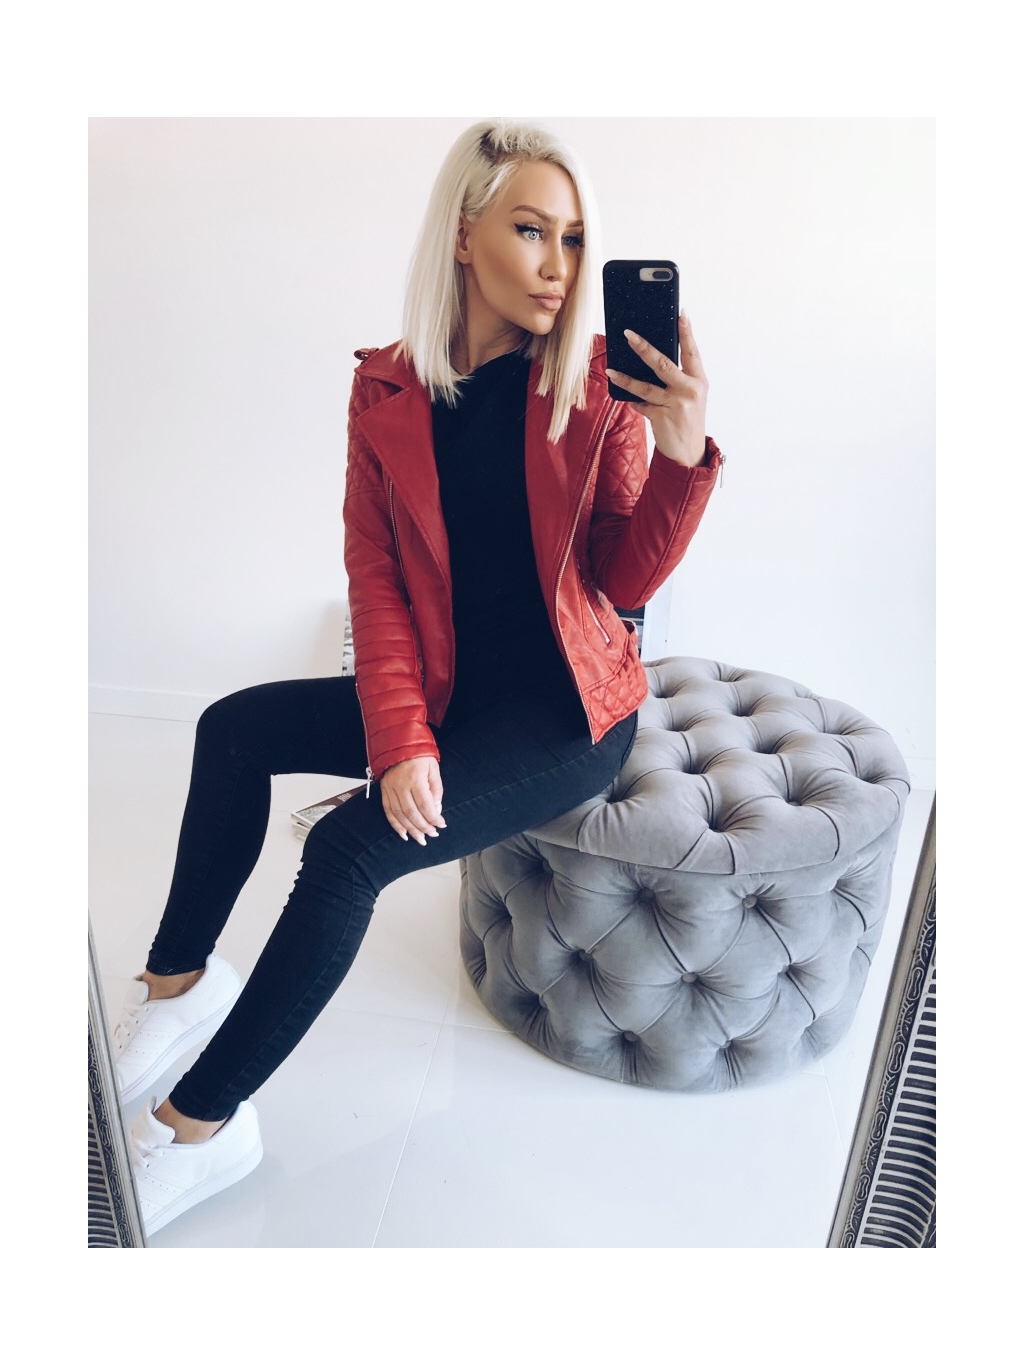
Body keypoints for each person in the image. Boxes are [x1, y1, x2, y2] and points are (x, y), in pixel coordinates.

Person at [112, 119, 723, 1237]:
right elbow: (377, 578)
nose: (558, 265)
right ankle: (177, 990)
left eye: (574, 238)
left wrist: (681, 454)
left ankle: (200, 1127)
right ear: (463, 234)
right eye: (531, 230)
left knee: (350, 849)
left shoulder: (597, 390)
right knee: (232, 728)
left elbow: (624, 579)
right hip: (444, 689)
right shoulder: (386, 390)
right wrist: (401, 737)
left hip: (567, 711)